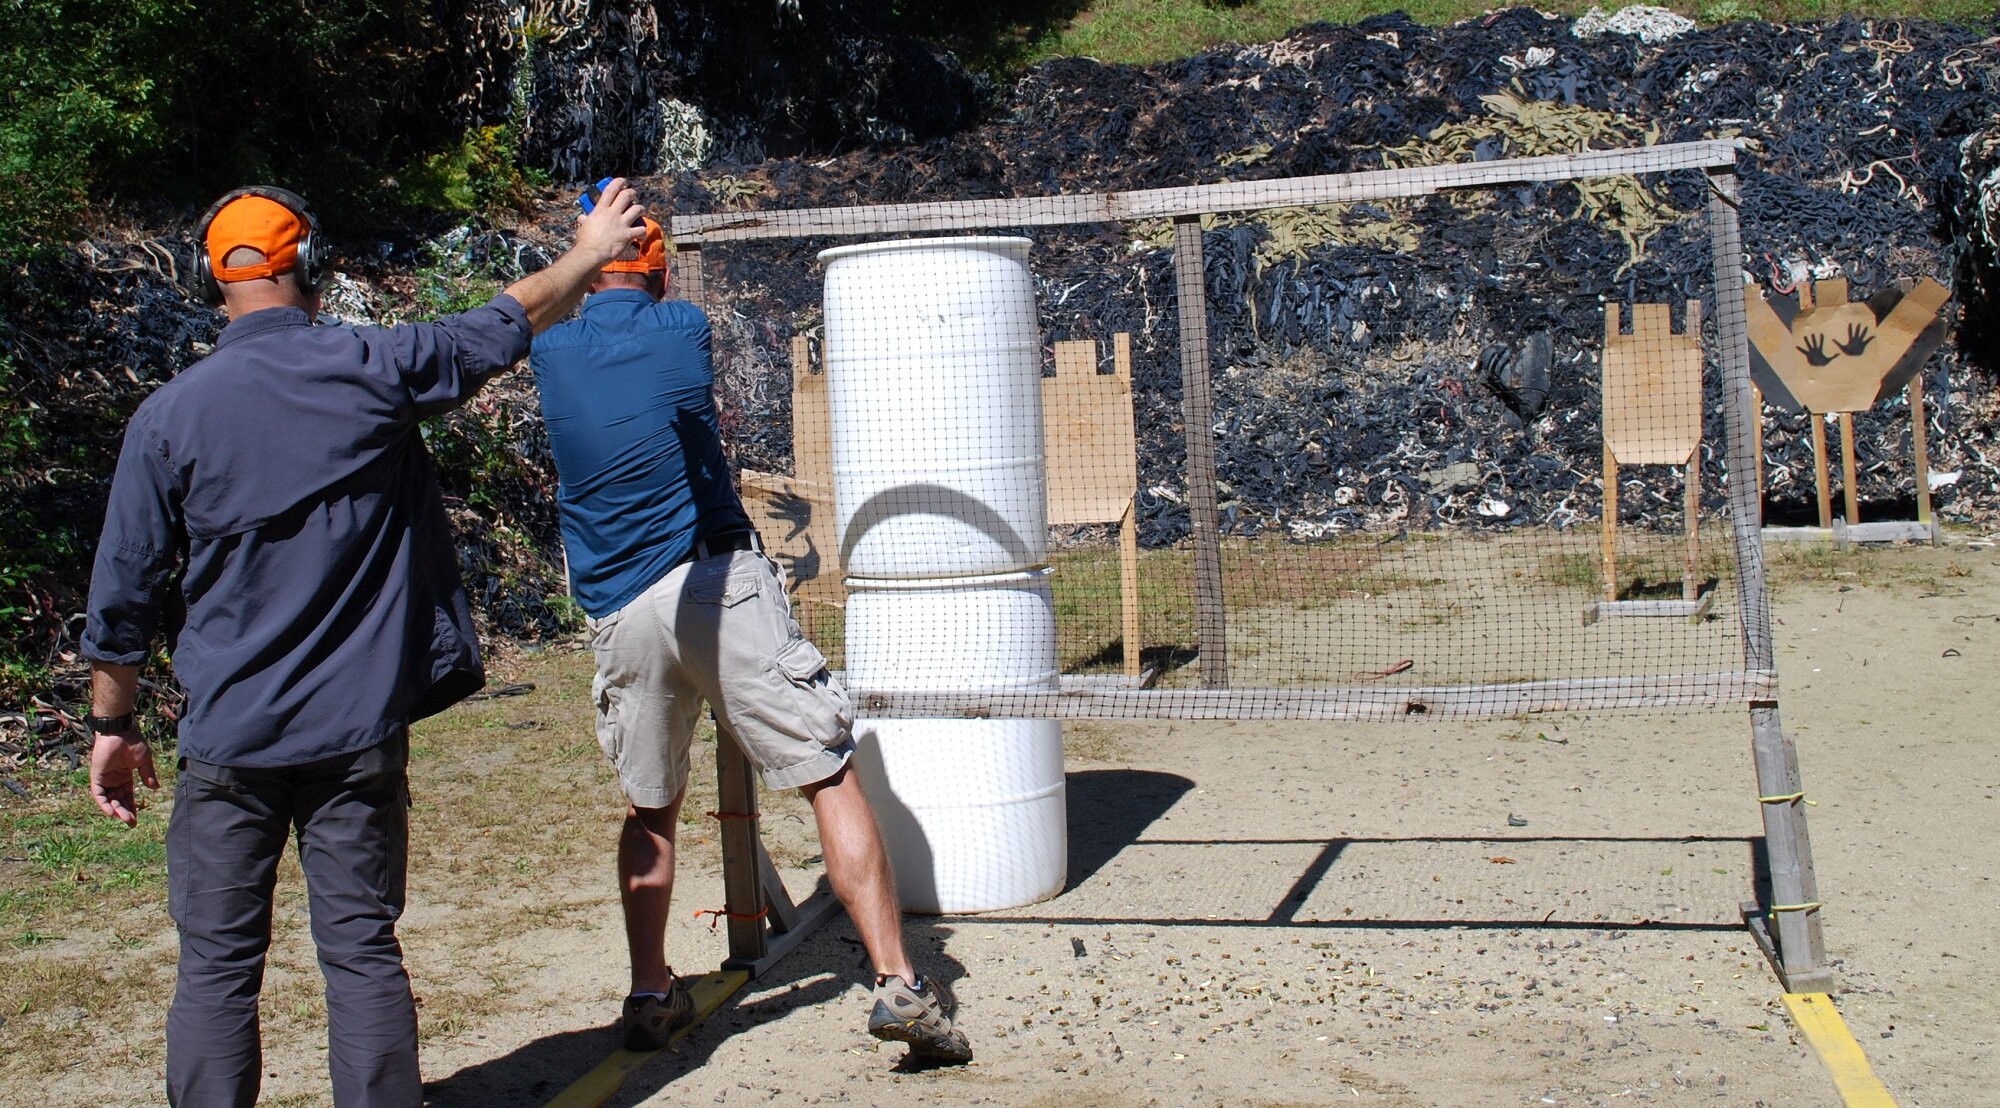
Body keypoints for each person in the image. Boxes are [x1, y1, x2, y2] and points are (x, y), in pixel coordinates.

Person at [82, 179, 650, 1107]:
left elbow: (122, 601)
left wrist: (114, 727)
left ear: (211, 280)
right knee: (359, 951)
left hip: (228, 744)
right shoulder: (375, 367)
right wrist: (589, 253)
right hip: (355, 739)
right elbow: (504, 323)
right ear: (310, 267)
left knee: (217, 970)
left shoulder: (166, 419)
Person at [528, 212, 972, 1063]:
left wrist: (577, 257)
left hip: (620, 611)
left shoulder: (549, 353)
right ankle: (897, 984)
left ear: (590, 272)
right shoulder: (682, 326)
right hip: (713, 585)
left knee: (650, 805)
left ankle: (651, 990)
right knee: (828, 773)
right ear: (659, 273)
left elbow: (540, 308)